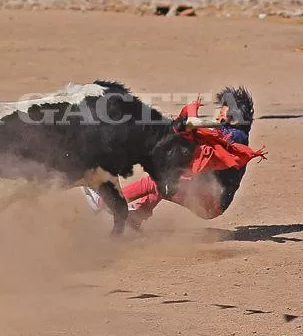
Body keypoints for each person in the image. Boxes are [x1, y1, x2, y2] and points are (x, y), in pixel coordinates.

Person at [84, 90, 265, 231]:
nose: (218, 116)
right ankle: (136, 217)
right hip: (210, 201)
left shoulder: (236, 135)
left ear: (234, 116)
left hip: (210, 202)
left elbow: (214, 139)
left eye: (223, 112)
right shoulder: (230, 132)